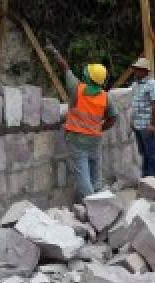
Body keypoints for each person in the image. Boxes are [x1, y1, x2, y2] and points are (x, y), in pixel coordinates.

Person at [47, 44, 117, 201]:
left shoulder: (77, 89)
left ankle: (94, 205)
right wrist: (100, 127)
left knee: (83, 176)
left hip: (77, 140)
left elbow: (64, 67)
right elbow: (113, 118)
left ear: (88, 77)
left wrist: (55, 52)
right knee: (95, 174)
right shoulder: (105, 97)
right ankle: (101, 200)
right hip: (95, 139)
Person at [129, 57, 155, 178]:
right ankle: (146, 177)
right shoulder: (135, 85)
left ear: (144, 71)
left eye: (138, 69)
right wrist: (132, 121)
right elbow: (134, 104)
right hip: (138, 125)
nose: (135, 71)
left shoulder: (152, 84)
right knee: (144, 152)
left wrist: (152, 124)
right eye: (135, 69)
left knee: (151, 152)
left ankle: (154, 178)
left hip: (147, 125)